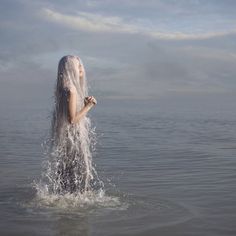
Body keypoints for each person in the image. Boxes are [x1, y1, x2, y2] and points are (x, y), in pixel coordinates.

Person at [48, 55, 99, 194]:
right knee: (78, 176)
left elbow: (68, 116)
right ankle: (75, 206)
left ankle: (61, 206)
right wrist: (88, 106)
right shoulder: (71, 89)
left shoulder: (62, 89)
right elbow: (72, 120)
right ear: (71, 69)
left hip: (64, 140)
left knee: (64, 175)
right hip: (73, 140)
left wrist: (82, 105)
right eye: (78, 65)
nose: (82, 68)